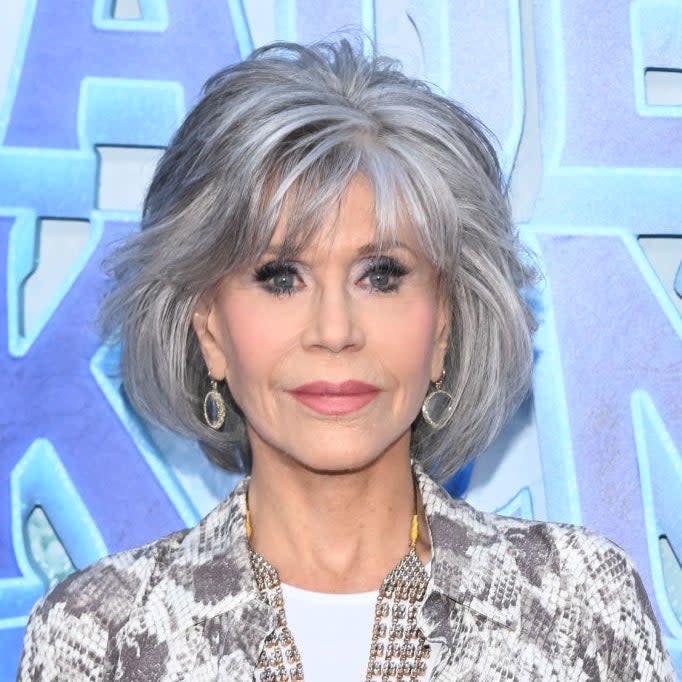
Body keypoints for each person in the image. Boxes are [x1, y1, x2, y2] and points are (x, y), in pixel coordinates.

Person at [17, 38, 675, 682]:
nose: (335, 330)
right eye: (280, 276)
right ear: (209, 328)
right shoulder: (101, 640)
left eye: (381, 274)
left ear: (443, 323)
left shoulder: (578, 608)